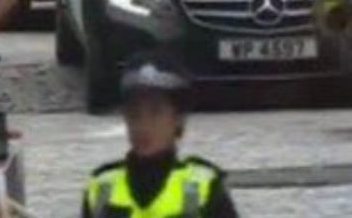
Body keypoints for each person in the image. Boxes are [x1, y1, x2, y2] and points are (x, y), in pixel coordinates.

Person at [82, 52, 238, 218]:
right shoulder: (102, 186)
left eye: (156, 112)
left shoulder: (204, 186)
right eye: (134, 113)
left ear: (178, 119)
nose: (143, 124)